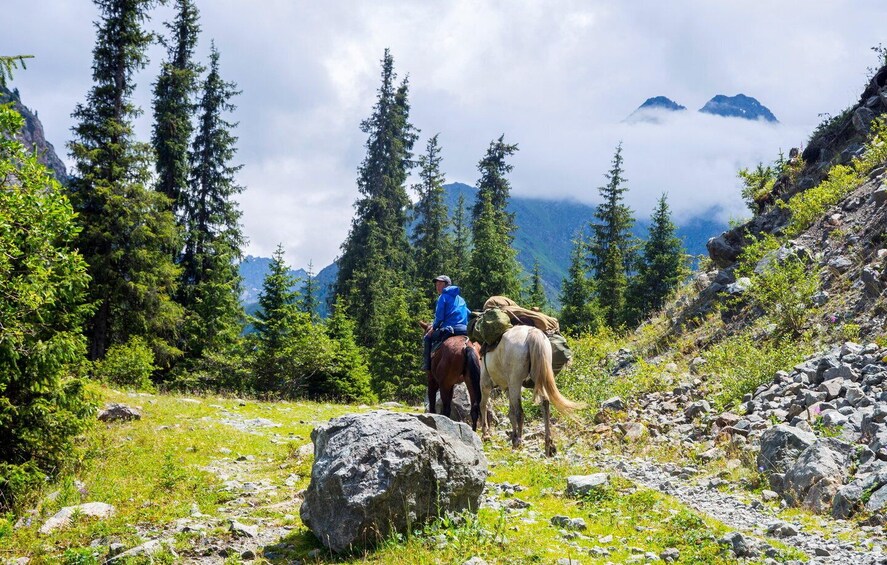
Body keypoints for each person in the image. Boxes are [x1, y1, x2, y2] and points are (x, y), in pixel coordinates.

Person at [422, 275, 469, 371]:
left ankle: (427, 365)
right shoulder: (461, 299)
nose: (437, 287)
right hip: (464, 330)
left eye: (440, 284)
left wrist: (433, 328)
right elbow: (468, 313)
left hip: (449, 329)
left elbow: (439, 317)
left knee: (427, 338)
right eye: (436, 284)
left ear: (447, 285)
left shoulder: (442, 297)